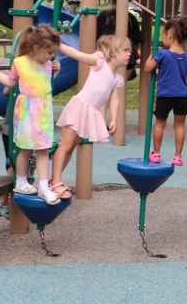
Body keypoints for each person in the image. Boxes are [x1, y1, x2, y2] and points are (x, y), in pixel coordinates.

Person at [0, 25, 62, 205]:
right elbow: (9, 82)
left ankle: (43, 186)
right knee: (26, 149)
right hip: (27, 111)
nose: (51, 55)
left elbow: (46, 83)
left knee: (43, 150)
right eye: (48, 51)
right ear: (36, 48)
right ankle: (20, 181)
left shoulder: (48, 64)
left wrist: (55, 72)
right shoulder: (20, 63)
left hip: (43, 111)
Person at [47, 35, 131, 199]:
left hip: (88, 113)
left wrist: (113, 118)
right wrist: (58, 44)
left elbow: (114, 99)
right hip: (79, 107)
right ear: (113, 52)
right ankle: (55, 182)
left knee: (70, 148)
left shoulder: (116, 79)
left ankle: (54, 180)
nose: (129, 54)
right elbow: (77, 54)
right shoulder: (99, 61)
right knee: (66, 145)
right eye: (126, 50)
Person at [144, 17, 187, 166]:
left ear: (169, 34)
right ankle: (178, 156)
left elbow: (147, 68)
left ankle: (156, 153)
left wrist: (152, 53)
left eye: (163, 35)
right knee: (180, 126)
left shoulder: (162, 54)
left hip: (165, 95)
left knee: (159, 124)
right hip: (182, 96)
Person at [98, 0, 143, 81]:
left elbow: (95, 34)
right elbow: (137, 38)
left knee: (105, 83)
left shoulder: (102, 15)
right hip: (125, 54)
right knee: (120, 84)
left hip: (105, 51)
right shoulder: (129, 16)